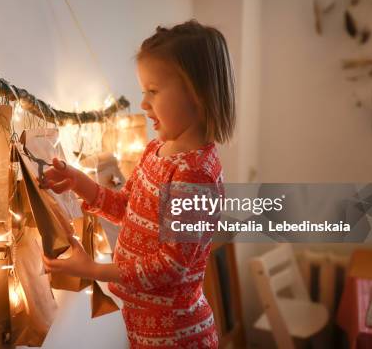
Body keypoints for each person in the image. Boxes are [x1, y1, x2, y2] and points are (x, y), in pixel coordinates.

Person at [40, 20, 236, 348]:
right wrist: (79, 182)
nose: (143, 103)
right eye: (143, 91)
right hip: (145, 325)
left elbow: (170, 266)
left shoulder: (196, 175)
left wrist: (93, 270)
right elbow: (125, 208)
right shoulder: (155, 151)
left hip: (176, 334)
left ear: (196, 93)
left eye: (154, 92)